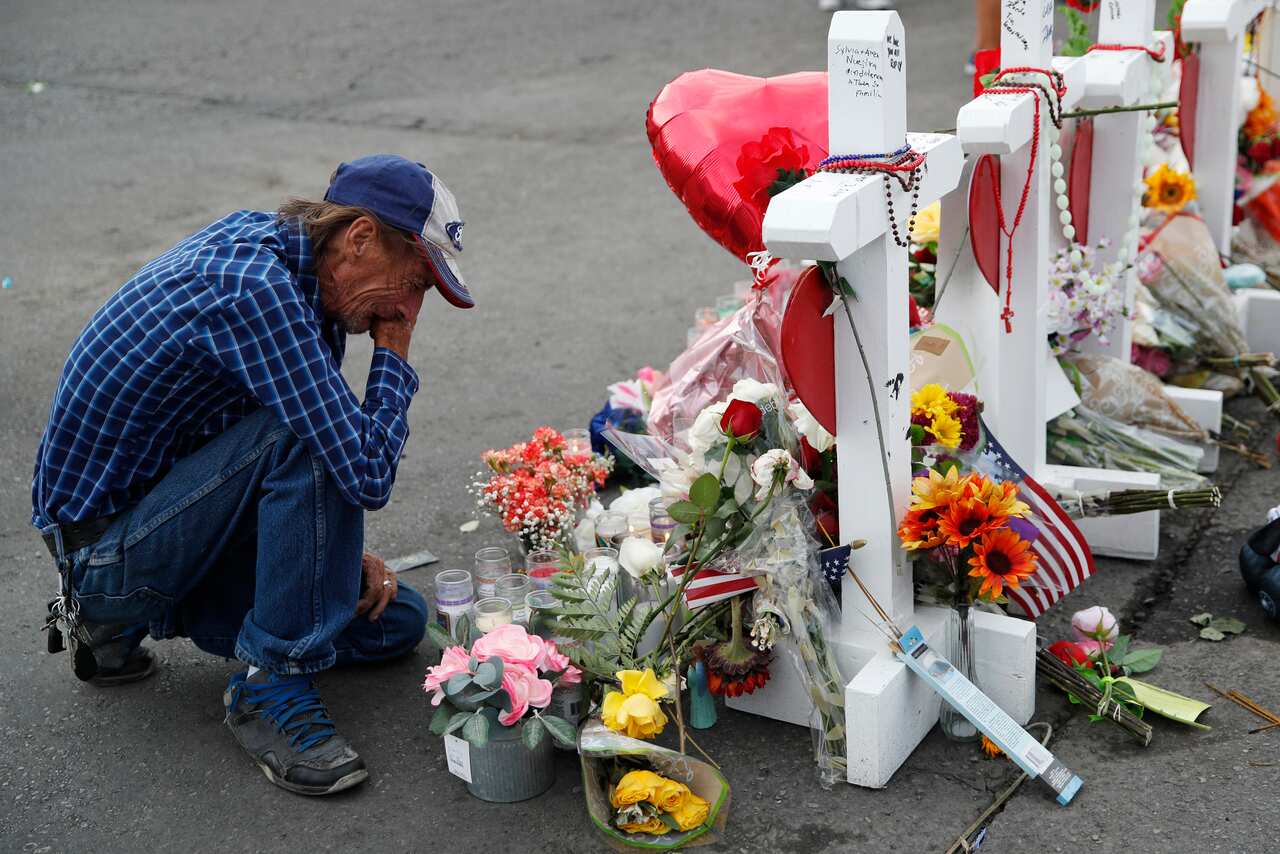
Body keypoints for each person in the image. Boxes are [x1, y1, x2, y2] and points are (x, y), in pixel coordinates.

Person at [31, 154, 472, 796]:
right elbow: (362, 471)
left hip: (164, 514)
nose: (406, 309)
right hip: (104, 553)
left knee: (395, 619)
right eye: (415, 283)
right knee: (306, 439)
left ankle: (110, 629)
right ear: (360, 237)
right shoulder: (255, 289)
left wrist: (333, 554)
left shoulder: (306, 277)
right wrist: (394, 354)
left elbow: (306, 466)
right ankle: (270, 682)